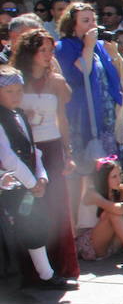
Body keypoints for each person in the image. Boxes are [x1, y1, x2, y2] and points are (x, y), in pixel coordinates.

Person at [12, 30, 80, 287]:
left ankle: (59, 266)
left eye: (51, 50)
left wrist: (67, 151)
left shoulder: (57, 81)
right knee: (29, 208)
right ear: (29, 52)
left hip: (51, 147)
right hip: (25, 149)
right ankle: (30, 270)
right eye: (43, 50)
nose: (48, 55)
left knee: (56, 207)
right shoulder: (17, 79)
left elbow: (62, 118)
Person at [55, 3, 123, 167]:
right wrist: (88, 47)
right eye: (86, 21)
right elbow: (77, 75)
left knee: (108, 166)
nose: (93, 25)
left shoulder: (99, 47)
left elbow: (116, 75)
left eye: (94, 20)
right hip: (82, 113)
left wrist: (114, 53)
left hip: (105, 113)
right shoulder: (64, 47)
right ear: (72, 25)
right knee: (86, 166)